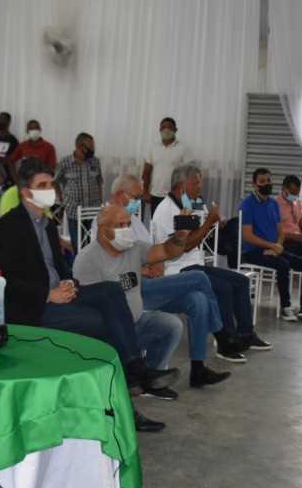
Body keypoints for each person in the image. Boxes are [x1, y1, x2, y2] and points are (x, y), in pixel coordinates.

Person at [0, 158, 176, 430]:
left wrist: (69, 282)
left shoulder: (47, 224)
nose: (50, 189)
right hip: (33, 308)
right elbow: (2, 280)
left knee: (112, 290)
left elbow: (59, 266)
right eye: (42, 185)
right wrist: (47, 294)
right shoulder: (8, 227)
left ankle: (135, 369)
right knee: (108, 326)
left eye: (50, 184)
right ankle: (129, 395)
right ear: (26, 192)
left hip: (60, 296)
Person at [77, 203, 232, 390]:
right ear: (103, 229)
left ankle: (156, 379)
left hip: (139, 315)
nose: (126, 229)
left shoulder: (133, 247)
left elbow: (167, 251)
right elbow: (91, 304)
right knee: (198, 278)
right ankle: (221, 335)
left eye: (128, 224)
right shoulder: (87, 259)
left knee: (190, 307)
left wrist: (180, 236)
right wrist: (134, 277)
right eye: (120, 225)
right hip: (113, 334)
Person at [109, 172, 245, 364]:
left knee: (198, 300)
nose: (139, 202)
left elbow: (152, 250)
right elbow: (111, 273)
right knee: (198, 278)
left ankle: (198, 368)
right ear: (119, 195)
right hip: (129, 288)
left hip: (150, 283)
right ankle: (221, 333)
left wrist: (157, 262)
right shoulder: (105, 224)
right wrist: (143, 271)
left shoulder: (134, 220)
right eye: (136, 197)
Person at [154, 165, 271, 352]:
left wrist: (215, 222)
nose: (200, 187)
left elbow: (197, 238)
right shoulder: (166, 210)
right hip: (177, 269)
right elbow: (184, 247)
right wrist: (209, 222)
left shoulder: (187, 205)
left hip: (195, 264)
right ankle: (227, 343)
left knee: (240, 281)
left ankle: (246, 334)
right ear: (182, 186)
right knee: (223, 288)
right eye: (196, 183)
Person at [241, 167, 302, 322]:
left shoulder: (273, 204)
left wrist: (278, 246)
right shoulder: (247, 204)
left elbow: (280, 231)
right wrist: (271, 246)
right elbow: (247, 236)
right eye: (262, 181)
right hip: (253, 251)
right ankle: (286, 307)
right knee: (283, 264)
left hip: (274, 249)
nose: (267, 184)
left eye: (269, 180)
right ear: (254, 184)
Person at [56, 132, 104, 251]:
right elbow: (55, 182)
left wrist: (100, 202)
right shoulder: (65, 162)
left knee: (94, 245)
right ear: (79, 147)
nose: (92, 150)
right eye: (90, 148)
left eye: (93, 147)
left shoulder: (95, 161)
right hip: (74, 211)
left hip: (93, 211)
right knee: (77, 245)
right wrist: (62, 199)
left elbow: (99, 182)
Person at [142, 117, 190, 212]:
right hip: (156, 195)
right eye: (163, 127)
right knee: (156, 220)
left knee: (175, 220)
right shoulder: (153, 147)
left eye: (169, 127)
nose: (166, 130)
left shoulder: (184, 148)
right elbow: (146, 172)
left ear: (175, 130)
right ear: (160, 130)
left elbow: (189, 173)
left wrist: (186, 194)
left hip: (176, 195)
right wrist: (145, 192)